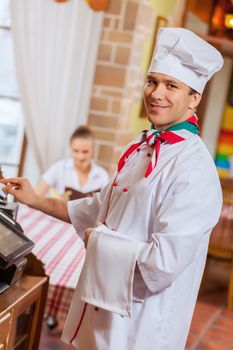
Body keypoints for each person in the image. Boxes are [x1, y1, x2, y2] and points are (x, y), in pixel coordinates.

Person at [1, 28, 224, 350]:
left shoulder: (194, 171)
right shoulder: (141, 147)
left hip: (139, 326)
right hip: (101, 314)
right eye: (152, 81)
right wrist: (35, 200)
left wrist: (99, 240)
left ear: (194, 98)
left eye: (171, 85)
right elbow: (97, 209)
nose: (156, 93)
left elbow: (163, 264)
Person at [36, 125, 109, 200]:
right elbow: (37, 196)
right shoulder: (59, 167)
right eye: (76, 151)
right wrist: (55, 202)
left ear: (93, 150)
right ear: (71, 148)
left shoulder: (102, 176)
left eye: (85, 152)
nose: (80, 157)